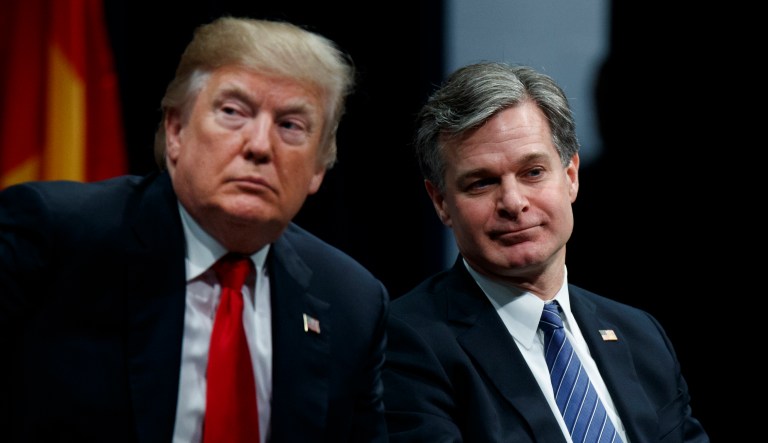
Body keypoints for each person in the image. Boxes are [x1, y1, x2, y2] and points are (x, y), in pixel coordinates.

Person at [0, 16, 389, 443]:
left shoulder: (350, 300)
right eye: (233, 112)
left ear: (318, 168)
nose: (260, 146)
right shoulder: (59, 238)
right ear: (176, 131)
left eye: (290, 125)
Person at [382, 61, 709, 443]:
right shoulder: (407, 343)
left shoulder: (640, 336)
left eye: (533, 172)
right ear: (440, 202)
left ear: (570, 177)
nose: (513, 201)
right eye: (482, 182)